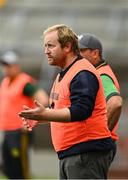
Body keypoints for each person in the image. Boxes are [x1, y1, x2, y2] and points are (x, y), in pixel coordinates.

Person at [19, 24, 116, 179]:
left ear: (67, 47)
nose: (46, 51)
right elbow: (60, 109)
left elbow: (81, 111)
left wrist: (45, 114)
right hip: (73, 153)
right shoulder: (63, 74)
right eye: (45, 46)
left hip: (84, 153)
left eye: (50, 46)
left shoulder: (82, 73)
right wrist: (39, 118)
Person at [0, 50, 48, 179]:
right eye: (4, 65)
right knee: (8, 166)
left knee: (20, 168)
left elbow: (43, 99)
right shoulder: (5, 82)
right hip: (7, 131)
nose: (6, 69)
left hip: (20, 132)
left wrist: (31, 121)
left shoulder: (25, 83)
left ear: (16, 66)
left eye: (9, 65)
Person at [78, 33, 122, 140]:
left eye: (81, 50)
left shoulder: (101, 75)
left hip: (96, 147)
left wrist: (100, 136)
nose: (77, 54)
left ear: (95, 53)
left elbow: (115, 103)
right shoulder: (96, 72)